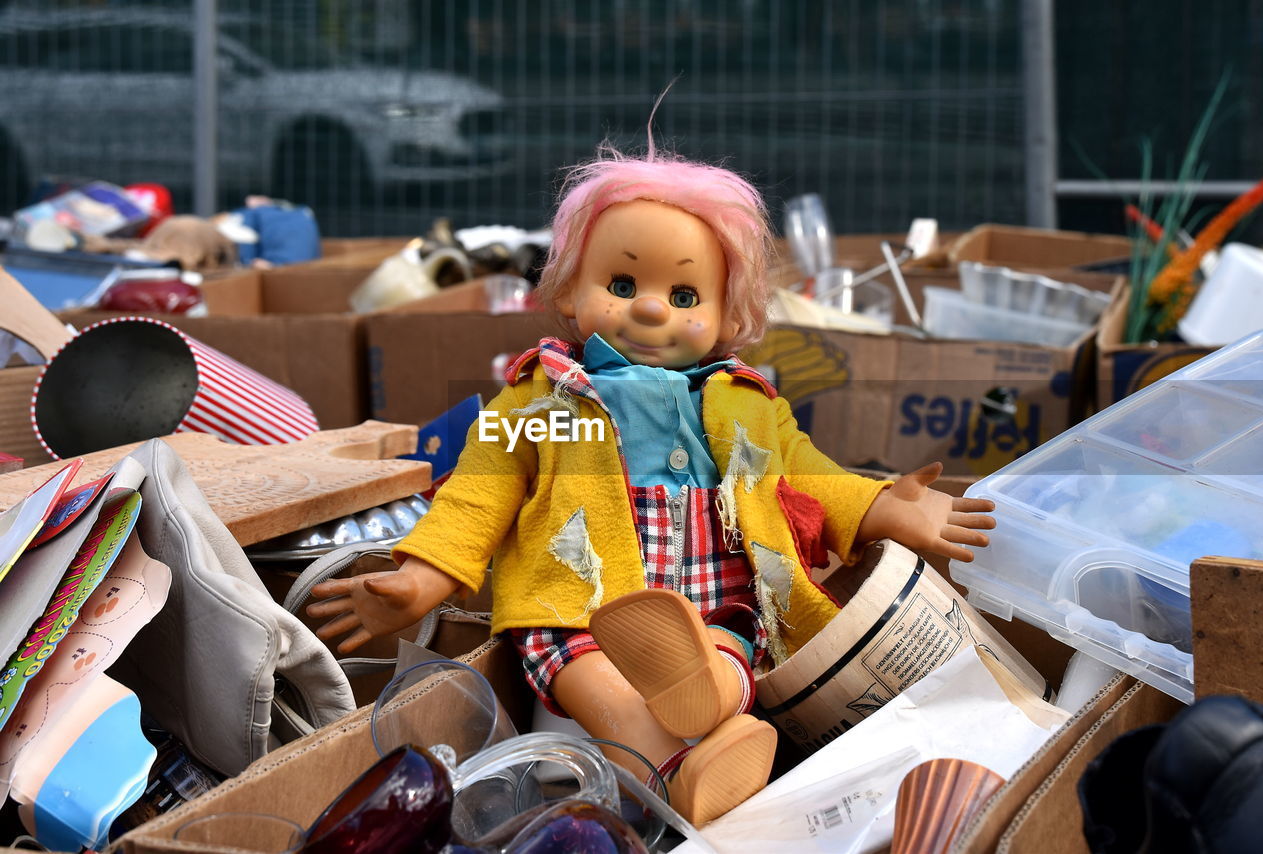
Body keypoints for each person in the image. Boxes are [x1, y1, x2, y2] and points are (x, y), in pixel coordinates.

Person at [307, 145, 996, 825]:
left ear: (729, 316)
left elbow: (813, 477)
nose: (651, 310)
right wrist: (421, 578)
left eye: (685, 295)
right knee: (589, 677)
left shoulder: (746, 405)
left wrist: (884, 504)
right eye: (624, 286)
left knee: (734, 647)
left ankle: (704, 700)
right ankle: (681, 761)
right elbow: (477, 494)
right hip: (578, 605)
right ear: (572, 291)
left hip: (714, 606)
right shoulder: (538, 402)